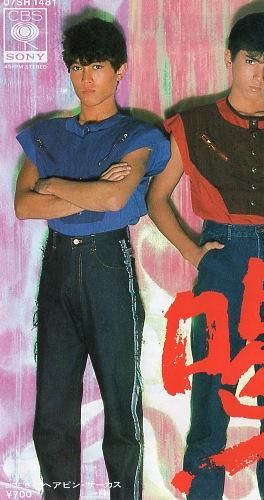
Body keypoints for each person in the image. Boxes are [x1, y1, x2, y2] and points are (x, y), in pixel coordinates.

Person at [148, 11, 264, 500]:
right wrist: (195, 253)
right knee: (211, 397)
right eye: (251, 61)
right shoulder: (194, 124)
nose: (260, 75)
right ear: (229, 58)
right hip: (223, 261)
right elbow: (156, 197)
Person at [14, 16, 170, 499]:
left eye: (97, 66)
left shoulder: (136, 135)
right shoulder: (46, 135)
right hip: (58, 268)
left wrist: (55, 186)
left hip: (108, 267)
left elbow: (114, 200)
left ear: (120, 70)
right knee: (53, 413)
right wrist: (92, 190)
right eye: (77, 67)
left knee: (121, 411)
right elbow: (24, 206)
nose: (85, 78)